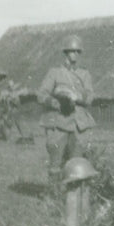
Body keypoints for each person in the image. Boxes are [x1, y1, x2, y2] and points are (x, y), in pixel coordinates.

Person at [37, 34, 96, 192]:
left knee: (75, 164)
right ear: (65, 52)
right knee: (55, 164)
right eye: (71, 51)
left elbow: (90, 97)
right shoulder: (55, 73)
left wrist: (78, 97)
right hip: (60, 124)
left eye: (77, 51)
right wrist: (54, 102)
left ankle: (72, 199)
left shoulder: (85, 74)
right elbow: (41, 94)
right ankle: (53, 197)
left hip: (79, 126)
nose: (74, 54)